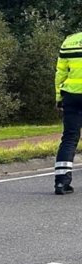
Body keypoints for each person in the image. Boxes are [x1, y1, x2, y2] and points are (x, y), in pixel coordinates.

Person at [54, 31, 82, 194]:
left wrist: (59, 96)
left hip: (71, 95)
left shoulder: (69, 42)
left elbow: (61, 73)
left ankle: (61, 182)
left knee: (70, 137)